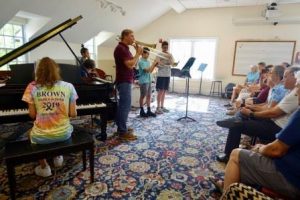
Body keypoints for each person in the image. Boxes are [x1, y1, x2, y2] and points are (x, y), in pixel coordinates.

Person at [222, 71, 300, 199]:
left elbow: (276, 150)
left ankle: (228, 192)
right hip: (291, 166)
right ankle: (231, 186)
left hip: (291, 178)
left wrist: (261, 148)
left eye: (298, 86)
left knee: (236, 153)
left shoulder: (294, 105)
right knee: (240, 120)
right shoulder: (286, 93)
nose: (297, 91)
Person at [216, 66, 300, 163]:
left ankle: (228, 155)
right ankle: (237, 119)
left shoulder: (295, 94)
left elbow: (274, 112)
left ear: (295, 78)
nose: (283, 80)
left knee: (236, 125)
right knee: (240, 117)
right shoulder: (291, 92)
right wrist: (250, 110)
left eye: (285, 77)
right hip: (272, 122)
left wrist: (251, 114)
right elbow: (270, 108)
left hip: (276, 128)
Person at [22, 57, 78, 177]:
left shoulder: (32, 87)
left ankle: (44, 167)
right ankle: (58, 157)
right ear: (56, 70)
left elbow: (32, 115)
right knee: (63, 128)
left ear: (38, 72)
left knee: (29, 134)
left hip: (40, 136)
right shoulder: (68, 86)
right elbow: (73, 114)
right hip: (64, 134)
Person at [113, 29, 142, 141]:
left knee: (124, 105)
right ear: (125, 36)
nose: (134, 38)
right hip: (124, 80)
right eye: (132, 36)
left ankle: (121, 127)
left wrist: (136, 54)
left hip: (126, 79)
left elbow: (133, 63)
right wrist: (138, 53)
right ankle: (122, 131)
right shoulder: (121, 49)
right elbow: (130, 65)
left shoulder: (125, 49)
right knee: (125, 105)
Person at [138, 47, 158, 117]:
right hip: (143, 81)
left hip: (149, 80)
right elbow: (147, 70)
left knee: (149, 96)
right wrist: (153, 64)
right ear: (143, 53)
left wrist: (154, 65)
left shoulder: (148, 61)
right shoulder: (141, 61)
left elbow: (151, 71)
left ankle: (149, 110)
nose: (148, 55)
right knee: (142, 96)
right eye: (147, 53)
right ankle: (141, 110)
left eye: (149, 54)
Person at [155, 41, 174, 114]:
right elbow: (157, 65)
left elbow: (172, 63)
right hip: (161, 75)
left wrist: (170, 58)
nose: (165, 49)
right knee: (160, 91)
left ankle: (162, 106)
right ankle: (158, 107)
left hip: (167, 74)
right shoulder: (159, 54)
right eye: (164, 47)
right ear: (162, 47)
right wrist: (165, 63)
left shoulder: (170, 54)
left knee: (164, 91)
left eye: (167, 47)